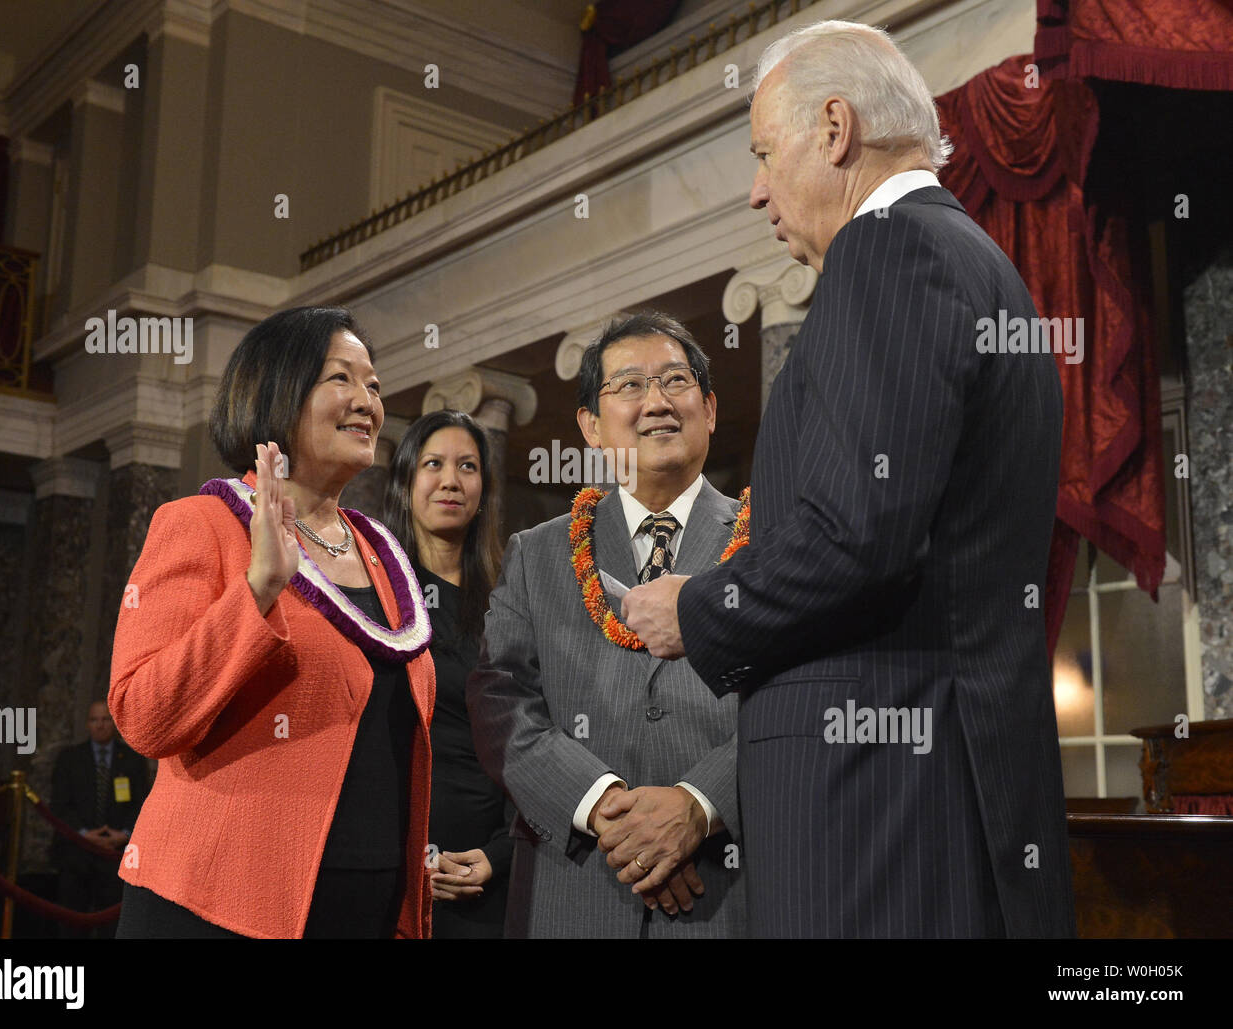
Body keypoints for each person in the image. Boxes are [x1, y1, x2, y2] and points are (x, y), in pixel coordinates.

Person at [622, 21, 1075, 938]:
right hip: (940, 798)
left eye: (762, 154)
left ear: (834, 129)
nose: (756, 191)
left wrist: (700, 610)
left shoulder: (889, 252)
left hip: (876, 815)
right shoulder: (982, 266)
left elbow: (858, 532)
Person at [108, 306, 436, 939]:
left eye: (374, 385)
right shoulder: (201, 524)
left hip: (363, 908)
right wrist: (257, 589)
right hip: (217, 905)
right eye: (341, 379)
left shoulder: (382, 552)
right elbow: (142, 713)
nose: (367, 401)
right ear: (277, 392)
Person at [467, 311, 747, 938]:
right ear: (591, 427)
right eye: (629, 386)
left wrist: (697, 807)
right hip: (577, 888)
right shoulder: (537, 554)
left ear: (709, 408)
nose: (656, 402)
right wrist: (605, 808)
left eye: (676, 382)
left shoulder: (769, 544)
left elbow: (794, 702)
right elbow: (499, 699)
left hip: (728, 889)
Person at [382, 409, 512, 938]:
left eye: (468, 466)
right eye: (433, 463)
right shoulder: (374, 597)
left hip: (485, 872)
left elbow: (530, 740)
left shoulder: (512, 605)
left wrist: (498, 855)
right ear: (407, 480)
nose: (451, 481)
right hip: (390, 864)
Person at [50, 700, 148, 938]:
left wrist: (124, 833)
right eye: (95, 720)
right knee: (72, 924)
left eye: (105, 719)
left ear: (114, 723)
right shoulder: (70, 758)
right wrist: (83, 835)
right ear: (87, 724)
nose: (100, 725)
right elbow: (59, 805)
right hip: (76, 854)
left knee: (111, 927)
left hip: (116, 856)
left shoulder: (133, 760)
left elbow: (142, 803)